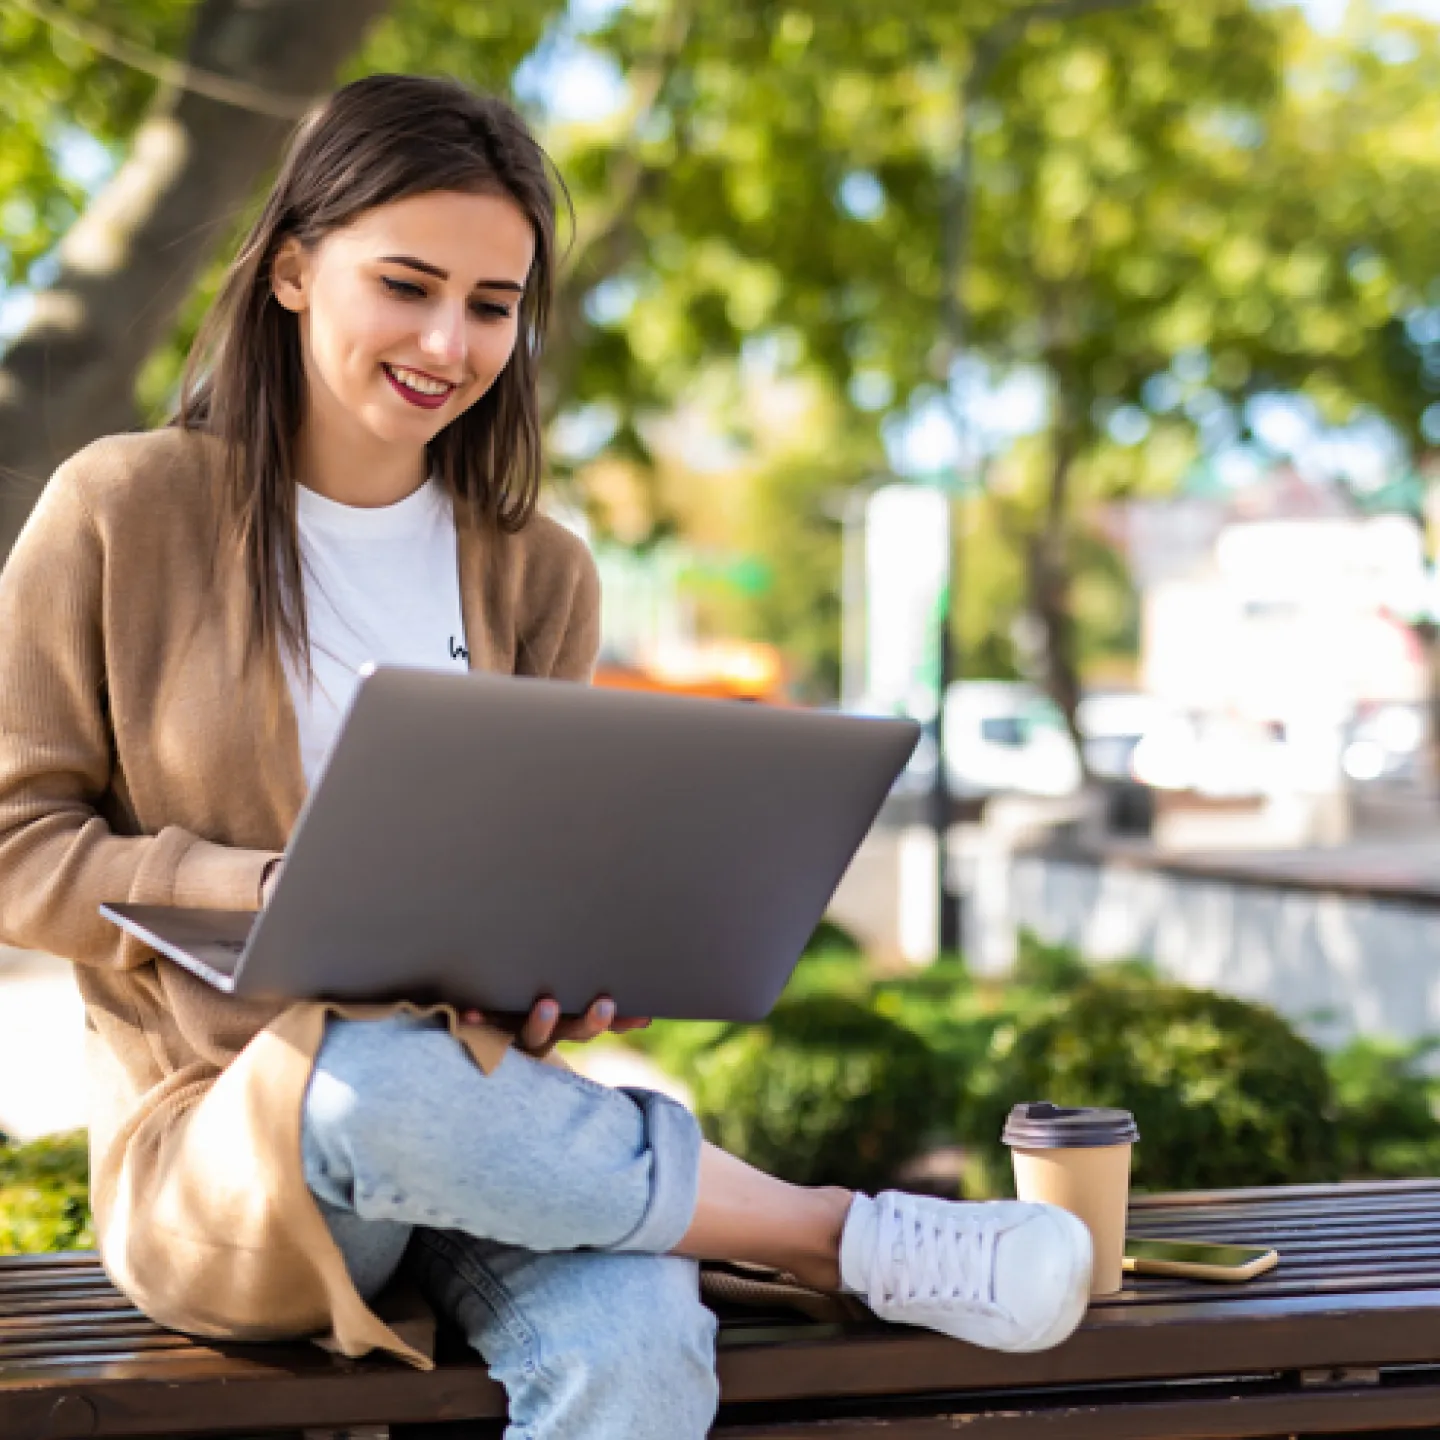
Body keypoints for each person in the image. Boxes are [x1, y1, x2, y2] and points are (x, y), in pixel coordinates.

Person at [0, 74, 1092, 1440]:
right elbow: (16, 847)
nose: (447, 341)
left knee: (641, 1350)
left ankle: (807, 1235)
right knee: (375, 1083)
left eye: (491, 305)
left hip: (495, 1124)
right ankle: (833, 1235)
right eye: (407, 285)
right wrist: (261, 890)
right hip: (235, 1148)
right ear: (291, 269)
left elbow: (525, 882)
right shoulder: (120, 508)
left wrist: (557, 978)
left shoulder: (538, 571)